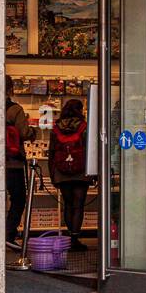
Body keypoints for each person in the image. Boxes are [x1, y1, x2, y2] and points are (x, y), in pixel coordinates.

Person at [48, 98, 89, 251]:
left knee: (68, 204)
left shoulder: (56, 128)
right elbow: (89, 150)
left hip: (61, 170)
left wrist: (53, 173)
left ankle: (69, 236)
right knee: (78, 206)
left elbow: (52, 152)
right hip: (81, 171)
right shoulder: (84, 127)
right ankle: (74, 238)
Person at [5, 75, 34, 247]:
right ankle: (9, 234)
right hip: (13, 161)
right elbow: (24, 133)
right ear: (11, 89)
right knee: (18, 198)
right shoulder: (15, 110)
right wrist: (33, 133)